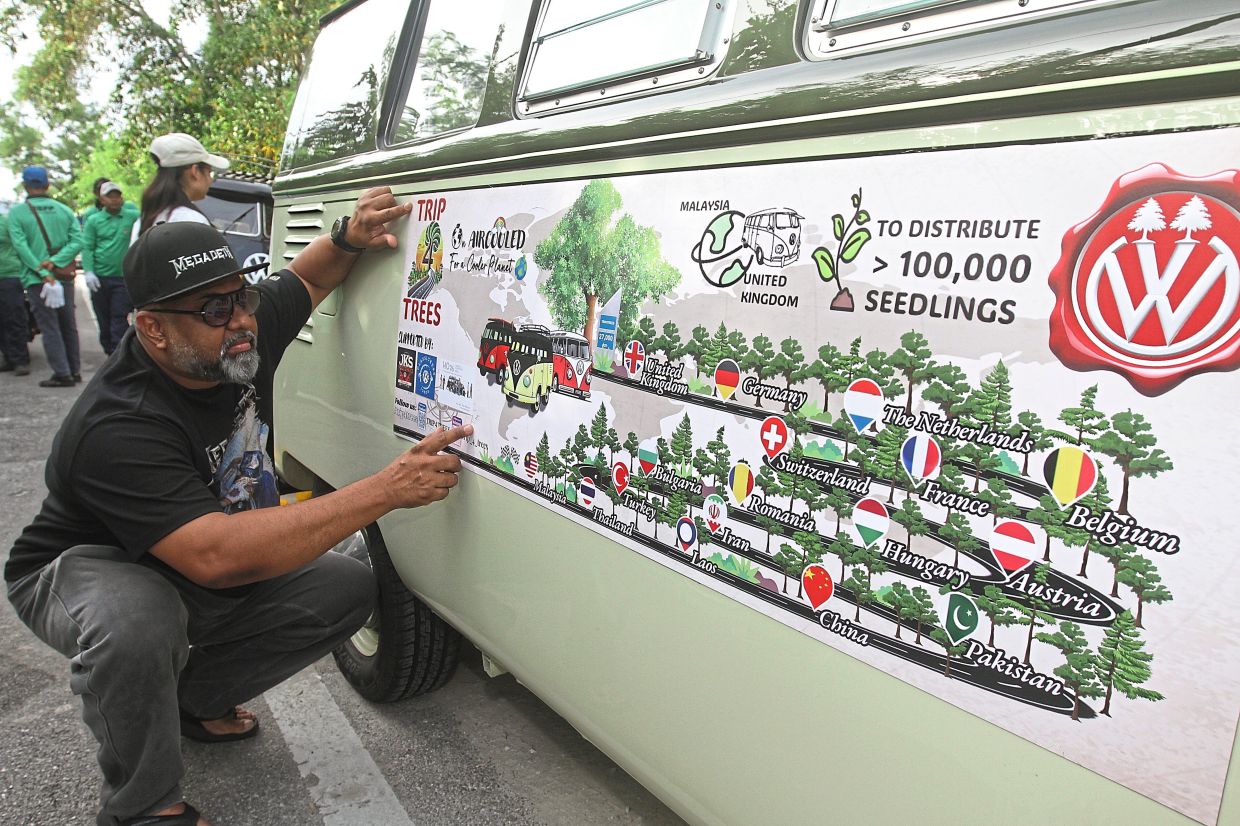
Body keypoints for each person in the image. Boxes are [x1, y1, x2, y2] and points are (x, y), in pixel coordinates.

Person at [5, 187, 468, 826]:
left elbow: (307, 274)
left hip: (193, 554)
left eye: (242, 295)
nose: (242, 318)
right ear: (153, 330)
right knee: (140, 618)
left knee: (345, 587)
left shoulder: (235, 335)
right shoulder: (117, 425)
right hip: (85, 568)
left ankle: (192, 700)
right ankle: (142, 807)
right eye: (216, 308)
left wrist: (350, 235)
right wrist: (385, 489)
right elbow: (217, 556)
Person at [7, 165, 82, 387]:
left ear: (25, 186)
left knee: (50, 327)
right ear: (47, 184)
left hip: (37, 280)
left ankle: (62, 373)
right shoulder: (63, 210)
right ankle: (74, 370)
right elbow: (78, 240)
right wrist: (57, 262)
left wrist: (41, 271)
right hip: (63, 276)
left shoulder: (18, 214)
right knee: (68, 324)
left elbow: (20, 246)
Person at [133, 133, 226, 243]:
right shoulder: (192, 221)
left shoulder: (145, 219)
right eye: (209, 172)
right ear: (195, 171)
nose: (210, 180)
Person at [82, 181, 140, 354]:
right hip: (100, 278)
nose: (114, 199)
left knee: (119, 318)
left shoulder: (132, 216)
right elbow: (88, 247)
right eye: (110, 196)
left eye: (117, 195)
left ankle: (118, 354)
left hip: (122, 278)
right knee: (103, 319)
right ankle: (109, 350)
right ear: (102, 199)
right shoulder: (94, 220)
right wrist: (89, 271)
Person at [0, 205, 31, 374]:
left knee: (13, 318)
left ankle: (20, 359)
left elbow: (20, 245)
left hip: (9, 275)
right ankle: (8, 356)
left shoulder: (6, 222)